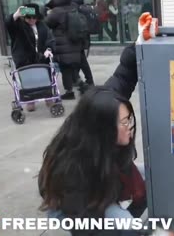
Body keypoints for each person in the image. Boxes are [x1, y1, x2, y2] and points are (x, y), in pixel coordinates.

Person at [38, 87, 146, 234]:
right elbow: (85, 226)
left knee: (149, 180)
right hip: (76, 211)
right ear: (104, 129)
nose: (130, 127)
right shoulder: (73, 170)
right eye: (124, 122)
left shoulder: (101, 143)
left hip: (100, 192)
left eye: (130, 119)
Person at [5, 3, 55, 111]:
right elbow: (9, 25)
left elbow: (50, 39)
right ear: (24, 17)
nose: (32, 20)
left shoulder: (42, 26)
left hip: (40, 57)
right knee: (28, 79)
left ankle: (48, 97)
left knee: (44, 77)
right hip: (25, 58)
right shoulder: (19, 26)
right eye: (29, 17)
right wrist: (16, 15)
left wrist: (49, 49)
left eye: (34, 17)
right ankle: (30, 100)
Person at [45, 0, 84, 100]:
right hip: (74, 44)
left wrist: (47, 11)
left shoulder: (57, 12)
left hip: (63, 46)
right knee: (72, 67)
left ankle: (69, 91)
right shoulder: (73, 8)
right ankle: (81, 85)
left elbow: (47, 23)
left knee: (65, 70)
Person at [61, 0, 94, 93]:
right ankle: (85, 80)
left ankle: (79, 81)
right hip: (81, 37)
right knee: (80, 60)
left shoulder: (70, 3)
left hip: (74, 37)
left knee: (76, 61)